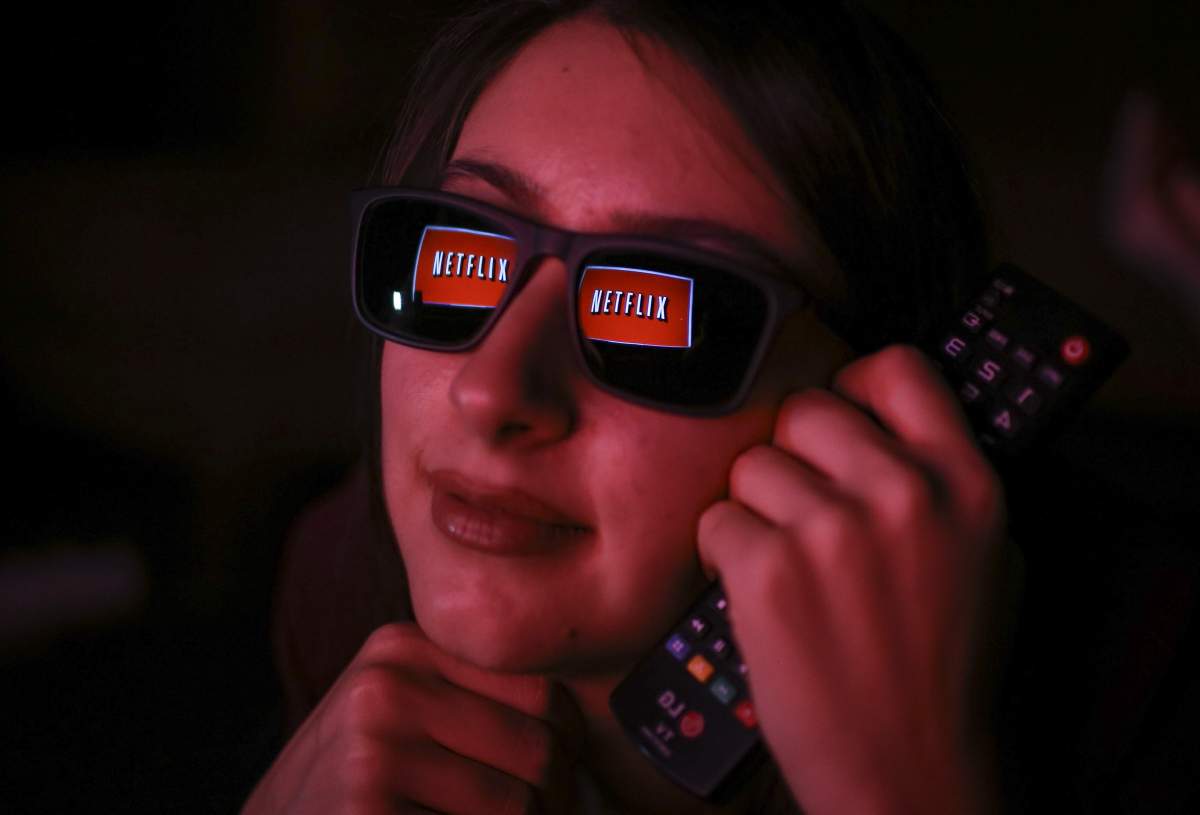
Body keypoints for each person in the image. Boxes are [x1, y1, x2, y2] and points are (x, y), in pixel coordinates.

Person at [244, 1, 1017, 812]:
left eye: (655, 308)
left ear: (873, 401)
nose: (491, 392)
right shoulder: (339, 584)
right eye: (465, 251)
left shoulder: (1110, 699)